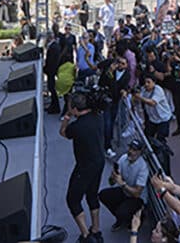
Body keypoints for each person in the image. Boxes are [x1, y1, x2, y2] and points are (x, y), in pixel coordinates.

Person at [61, 91, 106, 243]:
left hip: (85, 165)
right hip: (99, 161)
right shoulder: (98, 116)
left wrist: (66, 117)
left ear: (74, 109)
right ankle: (96, 229)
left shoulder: (77, 126)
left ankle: (86, 235)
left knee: (72, 199)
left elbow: (63, 133)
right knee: (92, 194)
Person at [98, 141, 149, 232]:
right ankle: (121, 218)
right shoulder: (123, 158)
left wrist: (122, 184)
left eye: (134, 150)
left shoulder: (143, 167)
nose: (130, 151)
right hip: (125, 191)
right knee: (103, 195)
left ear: (140, 152)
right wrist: (113, 177)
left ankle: (138, 217)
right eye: (130, 148)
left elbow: (137, 193)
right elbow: (111, 183)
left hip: (137, 198)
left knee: (122, 211)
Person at [133, 75, 173, 144]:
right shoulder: (143, 89)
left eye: (149, 82)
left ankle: (161, 153)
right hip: (152, 119)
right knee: (147, 136)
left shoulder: (158, 90)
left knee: (160, 139)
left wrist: (139, 97)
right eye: (145, 82)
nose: (146, 84)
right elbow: (136, 99)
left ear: (154, 83)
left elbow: (152, 102)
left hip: (163, 119)